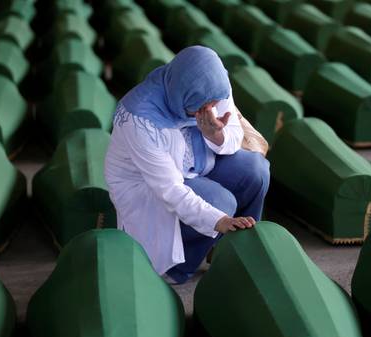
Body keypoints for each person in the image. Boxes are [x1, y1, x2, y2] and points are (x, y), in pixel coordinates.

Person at [104, 46, 270, 284]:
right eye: (201, 107)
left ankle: (231, 250)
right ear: (183, 96)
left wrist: (215, 135)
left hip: (197, 166)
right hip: (151, 187)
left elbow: (233, 137)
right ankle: (179, 268)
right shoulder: (140, 118)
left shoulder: (214, 86)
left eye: (214, 103)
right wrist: (220, 220)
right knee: (221, 203)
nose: (209, 111)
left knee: (256, 170)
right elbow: (169, 188)